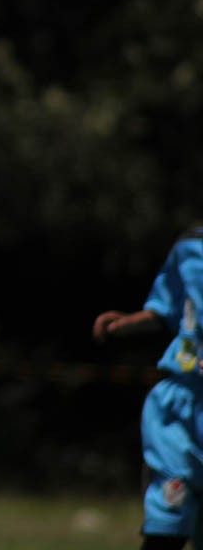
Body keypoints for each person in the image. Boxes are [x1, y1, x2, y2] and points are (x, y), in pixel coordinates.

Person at [93, 224, 203, 550]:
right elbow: (169, 308)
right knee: (169, 517)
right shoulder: (190, 245)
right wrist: (128, 324)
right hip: (181, 405)